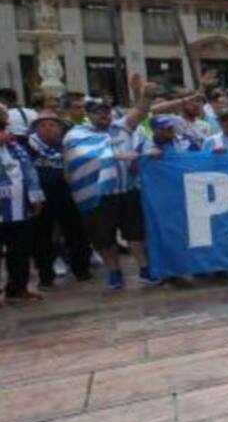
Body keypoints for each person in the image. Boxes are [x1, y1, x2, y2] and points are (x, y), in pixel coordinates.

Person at [63, 90, 159, 290]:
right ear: (88, 115)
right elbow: (82, 156)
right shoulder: (76, 134)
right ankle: (114, 273)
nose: (103, 115)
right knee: (103, 238)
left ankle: (144, 269)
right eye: (97, 112)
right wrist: (114, 154)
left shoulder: (121, 127)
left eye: (106, 111)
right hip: (98, 195)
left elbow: (141, 112)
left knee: (135, 234)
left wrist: (147, 94)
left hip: (127, 190)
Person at [22, 110, 91, 285]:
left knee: (76, 233)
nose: (47, 129)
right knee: (41, 237)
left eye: (52, 125)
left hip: (67, 196)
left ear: (60, 128)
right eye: (42, 125)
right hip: (40, 199)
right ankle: (46, 276)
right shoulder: (27, 147)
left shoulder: (69, 146)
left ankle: (81, 269)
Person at [0, 105, 45, 305]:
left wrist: (35, 196)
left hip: (19, 206)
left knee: (20, 250)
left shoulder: (14, 144)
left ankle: (17, 289)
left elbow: (29, 170)